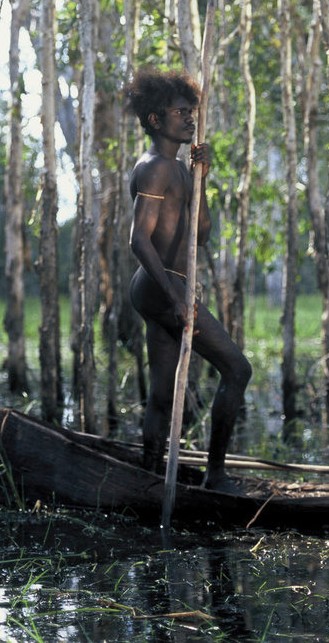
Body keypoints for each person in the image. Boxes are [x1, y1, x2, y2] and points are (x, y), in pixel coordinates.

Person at [122, 67, 251, 494]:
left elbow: (202, 233)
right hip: (161, 288)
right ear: (156, 119)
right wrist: (175, 294)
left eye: (191, 112)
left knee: (161, 393)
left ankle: (149, 478)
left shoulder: (177, 169)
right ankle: (215, 476)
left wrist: (203, 179)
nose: (191, 119)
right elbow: (138, 240)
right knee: (237, 369)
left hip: (165, 288)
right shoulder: (155, 168)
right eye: (181, 112)